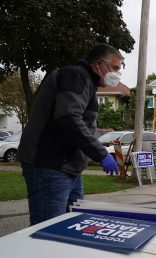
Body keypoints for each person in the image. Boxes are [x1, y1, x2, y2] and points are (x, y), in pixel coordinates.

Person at [18, 43, 121, 225]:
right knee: (48, 228)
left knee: (73, 225)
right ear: (98, 65)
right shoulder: (75, 76)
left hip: (67, 167)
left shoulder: (86, 82)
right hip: (49, 165)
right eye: (114, 68)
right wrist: (101, 153)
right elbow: (68, 118)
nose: (117, 74)